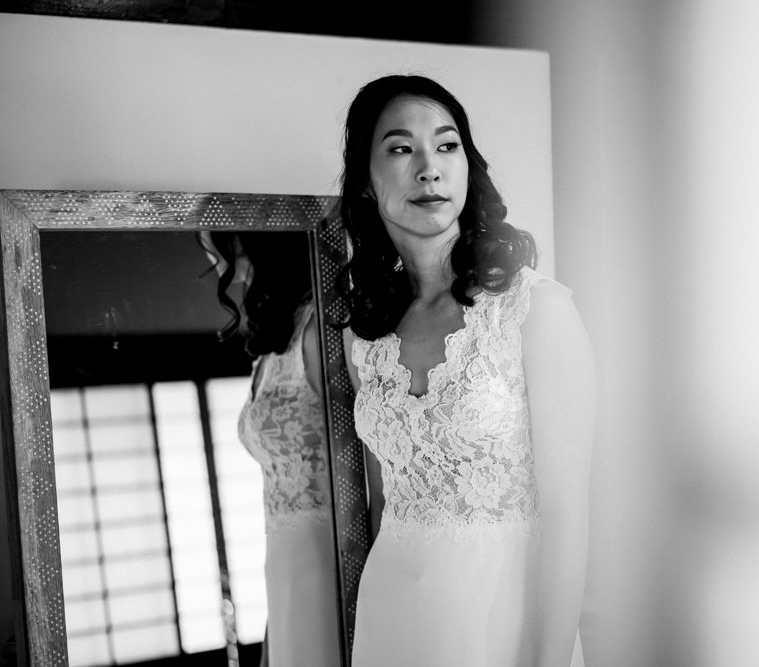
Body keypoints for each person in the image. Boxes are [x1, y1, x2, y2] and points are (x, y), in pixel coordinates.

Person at [338, 74, 595, 667]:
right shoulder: (365, 337)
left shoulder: (539, 312)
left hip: (506, 625)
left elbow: (568, 514)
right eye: (401, 149)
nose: (429, 167)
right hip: (394, 623)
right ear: (366, 186)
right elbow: (383, 504)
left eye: (446, 145)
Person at [201, 231, 341, 667]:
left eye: (210, 240)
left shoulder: (319, 328)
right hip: (283, 559)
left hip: (328, 554)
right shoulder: (270, 347)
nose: (207, 253)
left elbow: (357, 452)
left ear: (244, 244)